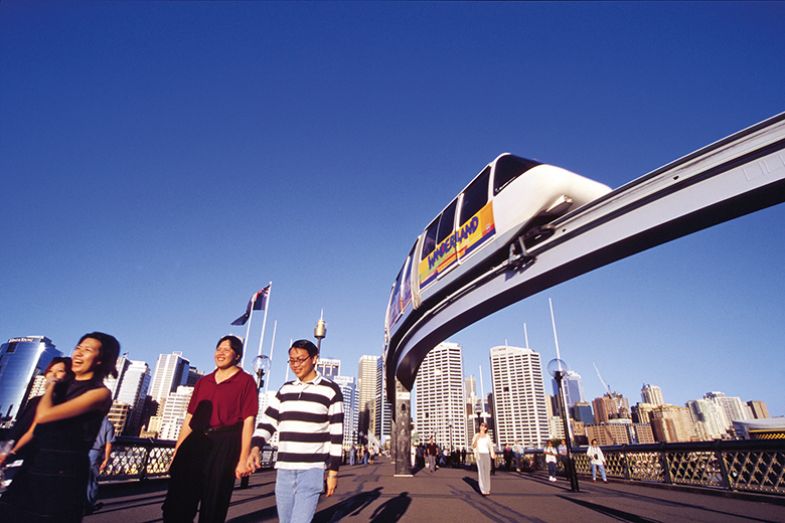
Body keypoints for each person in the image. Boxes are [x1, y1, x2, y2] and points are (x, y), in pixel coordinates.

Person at [0, 332, 119, 522]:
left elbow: (44, 416)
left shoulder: (100, 393)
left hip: (63, 473)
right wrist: (10, 453)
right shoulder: (61, 388)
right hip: (33, 467)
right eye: (78, 347)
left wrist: (51, 386)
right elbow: (34, 430)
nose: (78, 353)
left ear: (101, 360)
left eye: (87, 350)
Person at [162, 335, 258, 523]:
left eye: (226, 349)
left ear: (237, 355)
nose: (220, 353)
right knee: (178, 502)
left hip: (225, 444)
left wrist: (243, 459)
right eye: (218, 349)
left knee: (214, 502)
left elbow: (249, 420)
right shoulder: (203, 381)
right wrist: (177, 452)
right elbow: (189, 418)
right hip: (195, 442)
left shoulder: (246, 381)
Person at [248, 339, 344, 523]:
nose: (295, 364)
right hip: (284, 469)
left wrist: (333, 472)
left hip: (312, 470)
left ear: (314, 359)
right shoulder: (285, 389)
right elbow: (268, 422)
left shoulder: (331, 390)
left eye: (300, 359)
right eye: (292, 360)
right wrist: (255, 448)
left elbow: (336, 434)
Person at [0, 357, 74, 468]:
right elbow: (19, 428)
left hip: (36, 458)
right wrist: (7, 450)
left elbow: (35, 430)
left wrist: (12, 451)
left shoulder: (65, 404)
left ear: (68, 376)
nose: (53, 375)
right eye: (50, 371)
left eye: (60, 371)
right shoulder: (34, 401)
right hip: (14, 453)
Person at [85, 416, 114, 514]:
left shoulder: (89, 420)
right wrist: (106, 459)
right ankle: (88, 505)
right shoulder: (108, 425)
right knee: (92, 481)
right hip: (96, 453)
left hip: (84, 451)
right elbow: (109, 444)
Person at [471, 422, 495, 496]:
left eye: (484, 426)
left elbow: (490, 446)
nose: (482, 427)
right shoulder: (476, 435)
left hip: (486, 454)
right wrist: (477, 439)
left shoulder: (487, 436)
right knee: (481, 472)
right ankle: (483, 490)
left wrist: (492, 453)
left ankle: (487, 489)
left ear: (486, 428)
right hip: (479, 455)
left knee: (487, 472)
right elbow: (473, 446)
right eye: (481, 425)